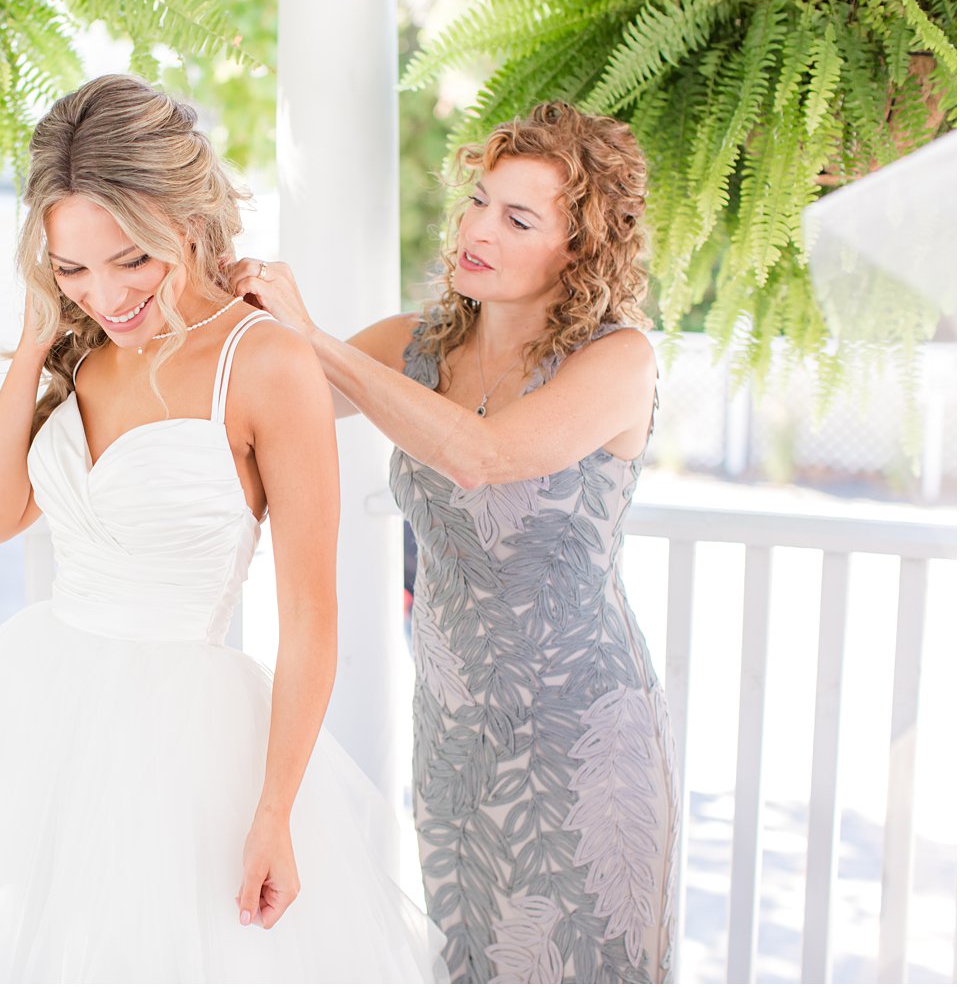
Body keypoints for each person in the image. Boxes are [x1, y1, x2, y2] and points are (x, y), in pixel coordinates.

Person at [0, 74, 443, 982]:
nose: (106, 293)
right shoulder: (84, 341)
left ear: (192, 218)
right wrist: (33, 337)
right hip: (44, 707)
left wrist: (274, 810)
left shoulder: (266, 364)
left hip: (183, 744)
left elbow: (312, 620)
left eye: (131, 259)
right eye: (72, 266)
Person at [230, 101, 680, 983]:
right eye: (479, 200)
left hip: (584, 741)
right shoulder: (414, 346)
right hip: (452, 739)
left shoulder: (618, 361)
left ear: (579, 249)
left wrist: (314, 337)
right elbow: (271, 388)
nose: (477, 228)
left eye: (518, 218)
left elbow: (485, 455)